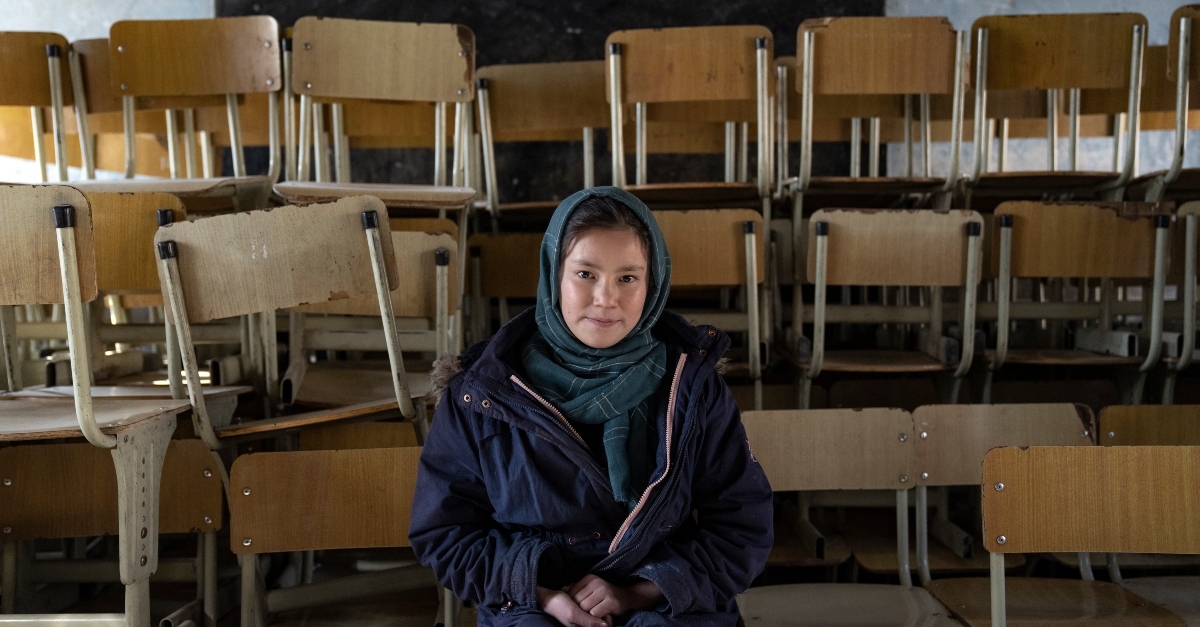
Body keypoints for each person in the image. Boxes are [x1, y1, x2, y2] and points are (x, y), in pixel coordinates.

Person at [410, 187, 773, 627]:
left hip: (663, 602)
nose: (606, 298)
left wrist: (638, 592)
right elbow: (446, 535)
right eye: (585, 274)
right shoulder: (481, 394)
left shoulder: (692, 387)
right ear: (553, 275)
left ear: (652, 283)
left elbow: (741, 527)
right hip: (532, 605)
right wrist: (542, 595)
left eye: (628, 278)